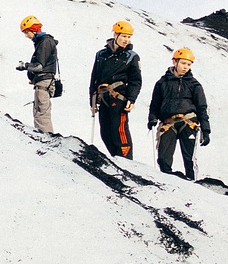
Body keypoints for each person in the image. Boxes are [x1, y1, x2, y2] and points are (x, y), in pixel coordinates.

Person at [147, 47, 210, 179]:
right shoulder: (162, 82)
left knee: (189, 159)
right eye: (183, 63)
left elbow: (201, 107)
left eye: (188, 64)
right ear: (175, 62)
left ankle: (193, 183)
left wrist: (206, 129)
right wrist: (152, 118)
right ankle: (169, 183)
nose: (185, 67)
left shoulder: (194, 84)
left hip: (188, 123)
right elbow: (155, 103)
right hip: (168, 123)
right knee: (163, 159)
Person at [89, 20, 142, 158]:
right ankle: (116, 159)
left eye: (129, 37)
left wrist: (132, 98)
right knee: (105, 133)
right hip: (103, 97)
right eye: (124, 36)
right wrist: (92, 101)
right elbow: (94, 77)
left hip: (119, 98)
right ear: (115, 34)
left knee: (119, 130)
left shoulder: (131, 56)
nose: (126, 40)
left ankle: (127, 161)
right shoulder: (101, 54)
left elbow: (135, 80)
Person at [15, 15, 57, 133]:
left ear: (33, 30)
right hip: (44, 82)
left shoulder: (44, 42)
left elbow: (39, 66)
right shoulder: (44, 42)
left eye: (26, 32)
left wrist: (25, 66)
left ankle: (46, 140)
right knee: (41, 112)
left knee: (41, 114)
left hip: (43, 83)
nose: (26, 35)